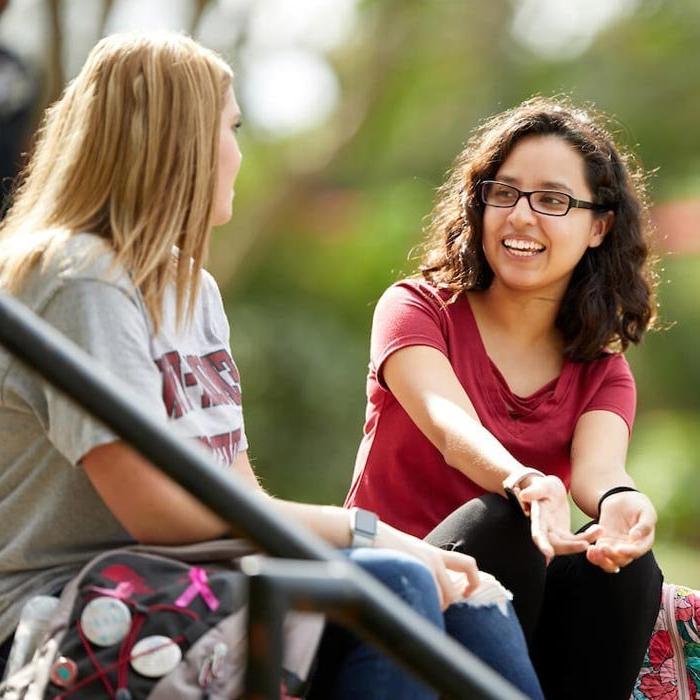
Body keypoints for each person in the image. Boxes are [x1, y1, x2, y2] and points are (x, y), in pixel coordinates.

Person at [0, 33, 544, 699]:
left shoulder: (189, 287)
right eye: (230, 129)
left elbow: (238, 498)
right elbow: (160, 513)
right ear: (181, 141)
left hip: (187, 586)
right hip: (71, 613)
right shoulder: (77, 275)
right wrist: (367, 533)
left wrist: (403, 549)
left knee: (471, 595)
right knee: (396, 582)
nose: (237, 153)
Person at [345, 96, 664, 700]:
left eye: (552, 200)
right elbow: (446, 423)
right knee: (504, 521)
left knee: (625, 572)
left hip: (520, 619)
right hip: (398, 588)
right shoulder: (417, 308)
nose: (521, 217)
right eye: (504, 192)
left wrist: (623, 503)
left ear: (599, 226)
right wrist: (522, 480)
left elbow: (600, 473)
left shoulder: (602, 369)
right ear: (479, 201)